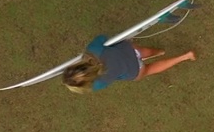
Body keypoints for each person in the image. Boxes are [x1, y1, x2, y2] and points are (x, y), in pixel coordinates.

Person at [62, 36, 195, 93]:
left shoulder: (96, 85)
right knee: (146, 51)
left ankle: (185, 57)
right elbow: (102, 37)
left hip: (134, 71)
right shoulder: (93, 49)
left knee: (149, 69)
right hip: (130, 51)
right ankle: (159, 51)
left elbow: (114, 78)